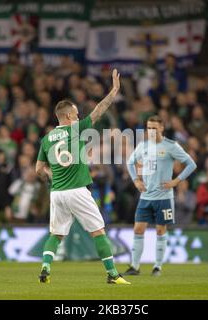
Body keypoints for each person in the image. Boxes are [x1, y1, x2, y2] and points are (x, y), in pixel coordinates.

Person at [35, 69, 130, 284]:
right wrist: (114, 91)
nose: (78, 116)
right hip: (77, 190)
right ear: (69, 116)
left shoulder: (47, 139)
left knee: (56, 235)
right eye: (76, 113)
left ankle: (45, 267)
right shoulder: (76, 129)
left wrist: (52, 175)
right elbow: (99, 110)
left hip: (57, 193)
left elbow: (38, 169)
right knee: (99, 231)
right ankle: (113, 275)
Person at [123, 115, 196, 276]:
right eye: (149, 128)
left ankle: (157, 266)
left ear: (162, 128)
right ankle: (135, 266)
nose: (151, 131)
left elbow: (191, 164)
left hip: (164, 197)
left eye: (154, 128)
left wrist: (176, 181)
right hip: (146, 196)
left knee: (160, 230)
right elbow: (130, 162)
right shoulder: (143, 145)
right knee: (138, 229)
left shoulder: (171, 146)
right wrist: (136, 180)